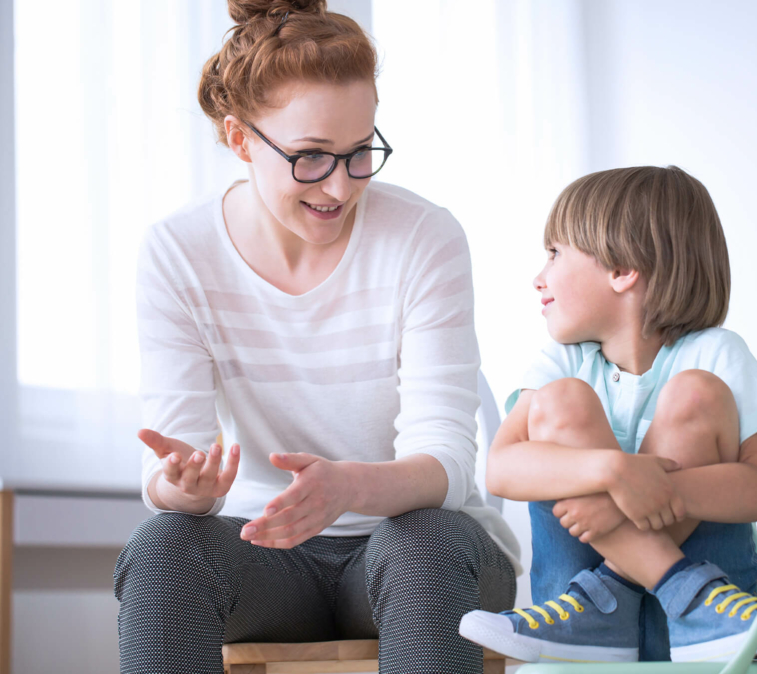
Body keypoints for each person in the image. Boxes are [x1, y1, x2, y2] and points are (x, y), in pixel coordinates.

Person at [112, 1, 520, 672]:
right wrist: (183, 486)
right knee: (164, 547)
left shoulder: (423, 237)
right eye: (309, 158)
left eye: (360, 152)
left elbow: (445, 463)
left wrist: (349, 488)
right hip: (263, 555)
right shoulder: (177, 252)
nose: (339, 185)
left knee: (423, 540)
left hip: (420, 553)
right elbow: (172, 463)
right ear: (240, 137)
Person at [459, 165, 757, 663]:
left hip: (711, 632)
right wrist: (615, 472)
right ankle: (678, 589)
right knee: (563, 400)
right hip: (576, 625)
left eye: (555, 254)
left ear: (622, 270)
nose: (539, 277)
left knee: (695, 395)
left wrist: (639, 497)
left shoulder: (716, 355)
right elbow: (502, 469)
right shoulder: (562, 363)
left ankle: (648, 597)